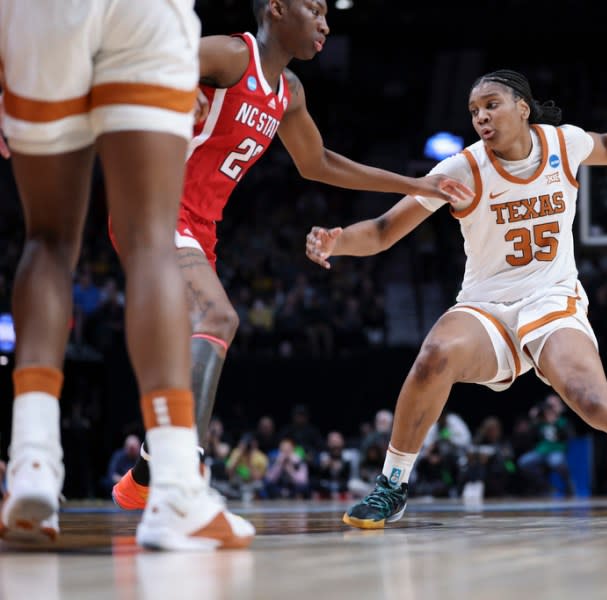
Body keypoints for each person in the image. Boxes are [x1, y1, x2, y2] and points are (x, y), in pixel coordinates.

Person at [306, 69, 607, 529]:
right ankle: (391, 486)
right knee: (434, 355)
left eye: (491, 104)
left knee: (588, 397)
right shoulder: (463, 168)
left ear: (522, 107)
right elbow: (381, 231)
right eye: (474, 111)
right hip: (486, 306)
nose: (481, 116)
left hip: (552, 298)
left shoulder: (563, 144)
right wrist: (338, 242)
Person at [111, 0, 472, 510]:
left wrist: (417, 184)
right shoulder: (234, 55)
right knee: (218, 315)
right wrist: (173, 92)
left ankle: (146, 472)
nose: (326, 22)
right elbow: (148, 66)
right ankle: (180, 478)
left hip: (200, 227)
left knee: (187, 349)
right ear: (276, 9)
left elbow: (319, 162)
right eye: (316, 9)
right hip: (153, 205)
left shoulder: (289, 93)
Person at [0, 0, 253, 549]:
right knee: (150, 243)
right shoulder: (236, 55)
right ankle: (177, 491)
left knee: (47, 239)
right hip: (147, 14)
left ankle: (32, 462)